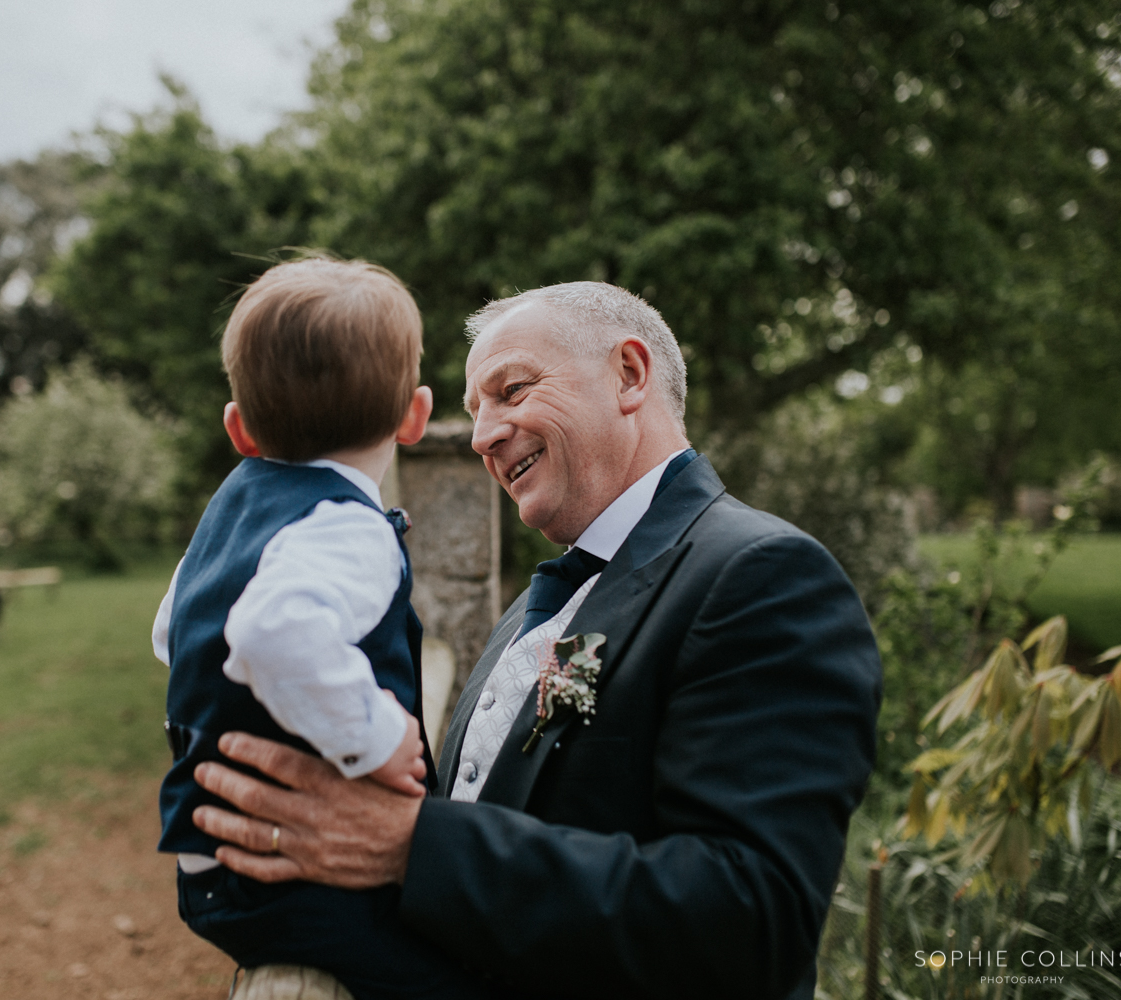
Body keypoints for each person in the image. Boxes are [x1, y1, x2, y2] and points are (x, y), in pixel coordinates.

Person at [188, 281, 884, 1000]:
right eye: (474, 409)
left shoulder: (762, 575)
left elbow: (751, 920)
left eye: (511, 391)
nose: (485, 433)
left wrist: (409, 845)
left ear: (629, 375)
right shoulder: (534, 607)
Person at [151, 257, 487, 1000]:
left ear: (239, 428)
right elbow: (271, 632)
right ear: (416, 414)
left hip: (218, 861)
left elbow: (174, 630)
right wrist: (377, 734)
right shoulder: (346, 528)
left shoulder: (234, 504)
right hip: (294, 877)